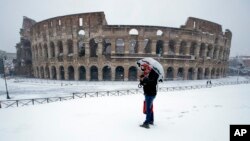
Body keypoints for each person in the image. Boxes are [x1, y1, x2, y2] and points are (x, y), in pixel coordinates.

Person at [139, 63, 159, 129]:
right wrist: (141, 80)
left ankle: (146, 123)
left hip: (151, 93)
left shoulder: (154, 73)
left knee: (148, 108)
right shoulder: (146, 74)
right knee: (150, 107)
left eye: (144, 68)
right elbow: (144, 83)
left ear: (148, 67)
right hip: (147, 93)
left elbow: (153, 83)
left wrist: (144, 79)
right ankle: (151, 120)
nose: (144, 70)